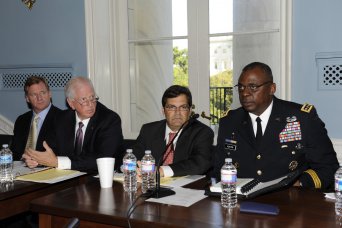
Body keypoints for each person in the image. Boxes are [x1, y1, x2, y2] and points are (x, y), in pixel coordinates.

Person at [213, 62, 339, 190]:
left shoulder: (302, 118)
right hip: (242, 202)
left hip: (290, 201)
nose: (244, 93)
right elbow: (219, 168)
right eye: (241, 87)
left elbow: (328, 166)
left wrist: (300, 183)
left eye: (253, 87)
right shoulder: (230, 121)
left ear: (272, 89)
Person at [23, 77, 124, 173]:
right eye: (83, 100)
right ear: (71, 103)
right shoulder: (61, 119)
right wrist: (37, 159)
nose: (90, 104)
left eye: (92, 97)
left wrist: (58, 162)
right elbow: (50, 152)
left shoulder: (109, 120)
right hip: (67, 180)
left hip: (98, 180)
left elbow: (102, 160)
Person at [133, 85, 214, 177]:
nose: (177, 112)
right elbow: (133, 157)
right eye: (171, 107)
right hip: (150, 186)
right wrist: (136, 168)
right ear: (163, 111)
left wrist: (160, 171)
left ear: (190, 110)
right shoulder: (149, 130)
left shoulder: (202, 132)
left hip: (187, 188)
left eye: (183, 107)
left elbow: (200, 163)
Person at [11, 76, 62, 161]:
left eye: (42, 92)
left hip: (49, 170)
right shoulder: (21, 120)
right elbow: (15, 152)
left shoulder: (63, 118)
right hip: (20, 168)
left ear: (50, 93)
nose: (39, 98)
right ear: (27, 98)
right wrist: (23, 158)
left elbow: (64, 153)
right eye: (34, 94)